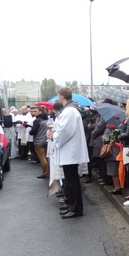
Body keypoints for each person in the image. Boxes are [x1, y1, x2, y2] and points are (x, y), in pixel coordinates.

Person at [49, 88, 90, 219]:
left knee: (72, 182)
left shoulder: (69, 111)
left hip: (70, 153)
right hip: (69, 152)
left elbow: (65, 132)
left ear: (61, 97)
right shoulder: (70, 111)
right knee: (70, 181)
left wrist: (53, 136)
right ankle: (73, 206)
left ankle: (76, 209)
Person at [29, 105, 49, 178]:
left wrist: (30, 132)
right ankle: (48, 171)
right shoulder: (47, 119)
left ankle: (45, 173)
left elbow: (33, 131)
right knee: (47, 157)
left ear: (40, 111)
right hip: (46, 140)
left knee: (42, 157)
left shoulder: (37, 120)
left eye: (35, 111)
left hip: (39, 140)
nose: (34, 113)